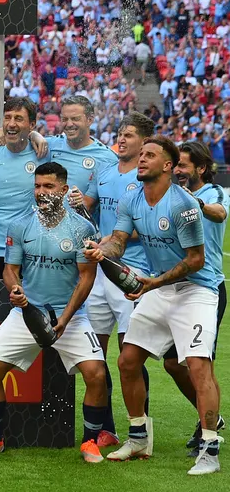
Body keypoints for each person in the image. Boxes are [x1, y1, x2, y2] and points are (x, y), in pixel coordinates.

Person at [86, 137, 222, 474]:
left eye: (150, 155)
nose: (141, 159)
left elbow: (196, 260)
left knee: (197, 366)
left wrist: (153, 283)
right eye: (141, 154)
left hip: (196, 291)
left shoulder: (183, 205)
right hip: (160, 288)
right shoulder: (132, 198)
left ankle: (209, 451)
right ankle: (138, 438)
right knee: (128, 360)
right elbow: (119, 241)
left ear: (168, 166)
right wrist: (103, 251)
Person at [0, 162, 106, 463]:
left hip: (69, 315)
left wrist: (65, 320)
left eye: (48, 187)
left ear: (64, 190)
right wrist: (16, 289)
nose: (41, 193)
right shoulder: (20, 225)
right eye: (37, 186)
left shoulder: (82, 229)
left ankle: (90, 442)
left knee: (96, 374)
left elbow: (86, 277)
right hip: (27, 314)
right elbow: (10, 270)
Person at [71, 112, 153, 447]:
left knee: (129, 357)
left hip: (132, 273)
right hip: (100, 272)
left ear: (144, 142)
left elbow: (147, 223)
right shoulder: (104, 172)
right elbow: (89, 205)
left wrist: (111, 240)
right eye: (120, 133)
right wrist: (78, 201)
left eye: (130, 135)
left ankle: (141, 429)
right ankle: (106, 429)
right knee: (96, 355)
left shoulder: (147, 175)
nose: (122, 139)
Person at [171, 141, 228, 454]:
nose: (178, 170)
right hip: (175, 286)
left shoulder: (213, 193)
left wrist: (197, 204)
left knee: (201, 365)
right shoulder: (170, 194)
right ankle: (212, 417)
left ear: (201, 168)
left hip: (207, 287)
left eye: (183, 165)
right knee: (170, 363)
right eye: (175, 165)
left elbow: (219, 214)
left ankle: (206, 428)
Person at [0, 97, 48, 279]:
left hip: (23, 250)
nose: (11, 124)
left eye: (19, 118)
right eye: (8, 117)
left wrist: (37, 136)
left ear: (32, 125)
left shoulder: (43, 153)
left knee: (20, 306)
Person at [46, 96, 117, 208]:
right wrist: (33, 135)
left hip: (82, 224)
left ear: (90, 120)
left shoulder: (107, 158)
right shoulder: (48, 145)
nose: (69, 124)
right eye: (64, 119)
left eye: (75, 119)